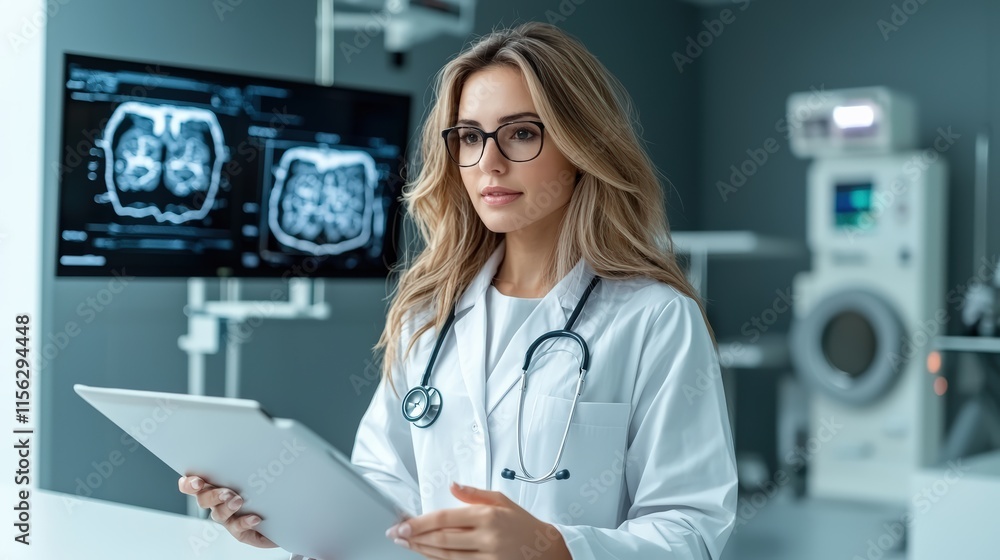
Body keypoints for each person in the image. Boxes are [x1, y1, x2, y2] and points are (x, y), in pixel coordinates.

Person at [180, 21, 737, 560]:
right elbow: (385, 487)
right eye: (470, 136)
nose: (488, 162)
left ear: (580, 146)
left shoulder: (654, 318)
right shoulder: (429, 312)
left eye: (521, 133)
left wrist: (556, 549)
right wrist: (293, 523)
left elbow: (693, 529)